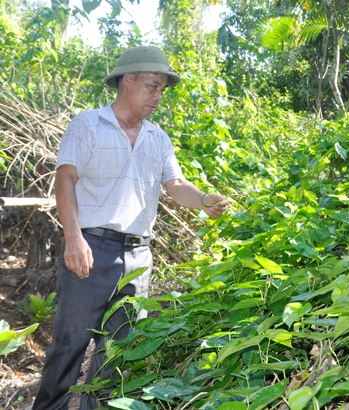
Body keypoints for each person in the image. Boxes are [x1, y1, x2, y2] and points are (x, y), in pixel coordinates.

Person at [32, 46, 230, 410]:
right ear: (129, 80)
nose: (158, 97)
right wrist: (73, 238)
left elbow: (176, 185)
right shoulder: (87, 124)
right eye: (153, 86)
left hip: (139, 256)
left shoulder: (158, 137)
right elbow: (65, 179)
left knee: (118, 353)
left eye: (161, 90)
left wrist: (204, 199)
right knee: (70, 344)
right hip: (91, 250)